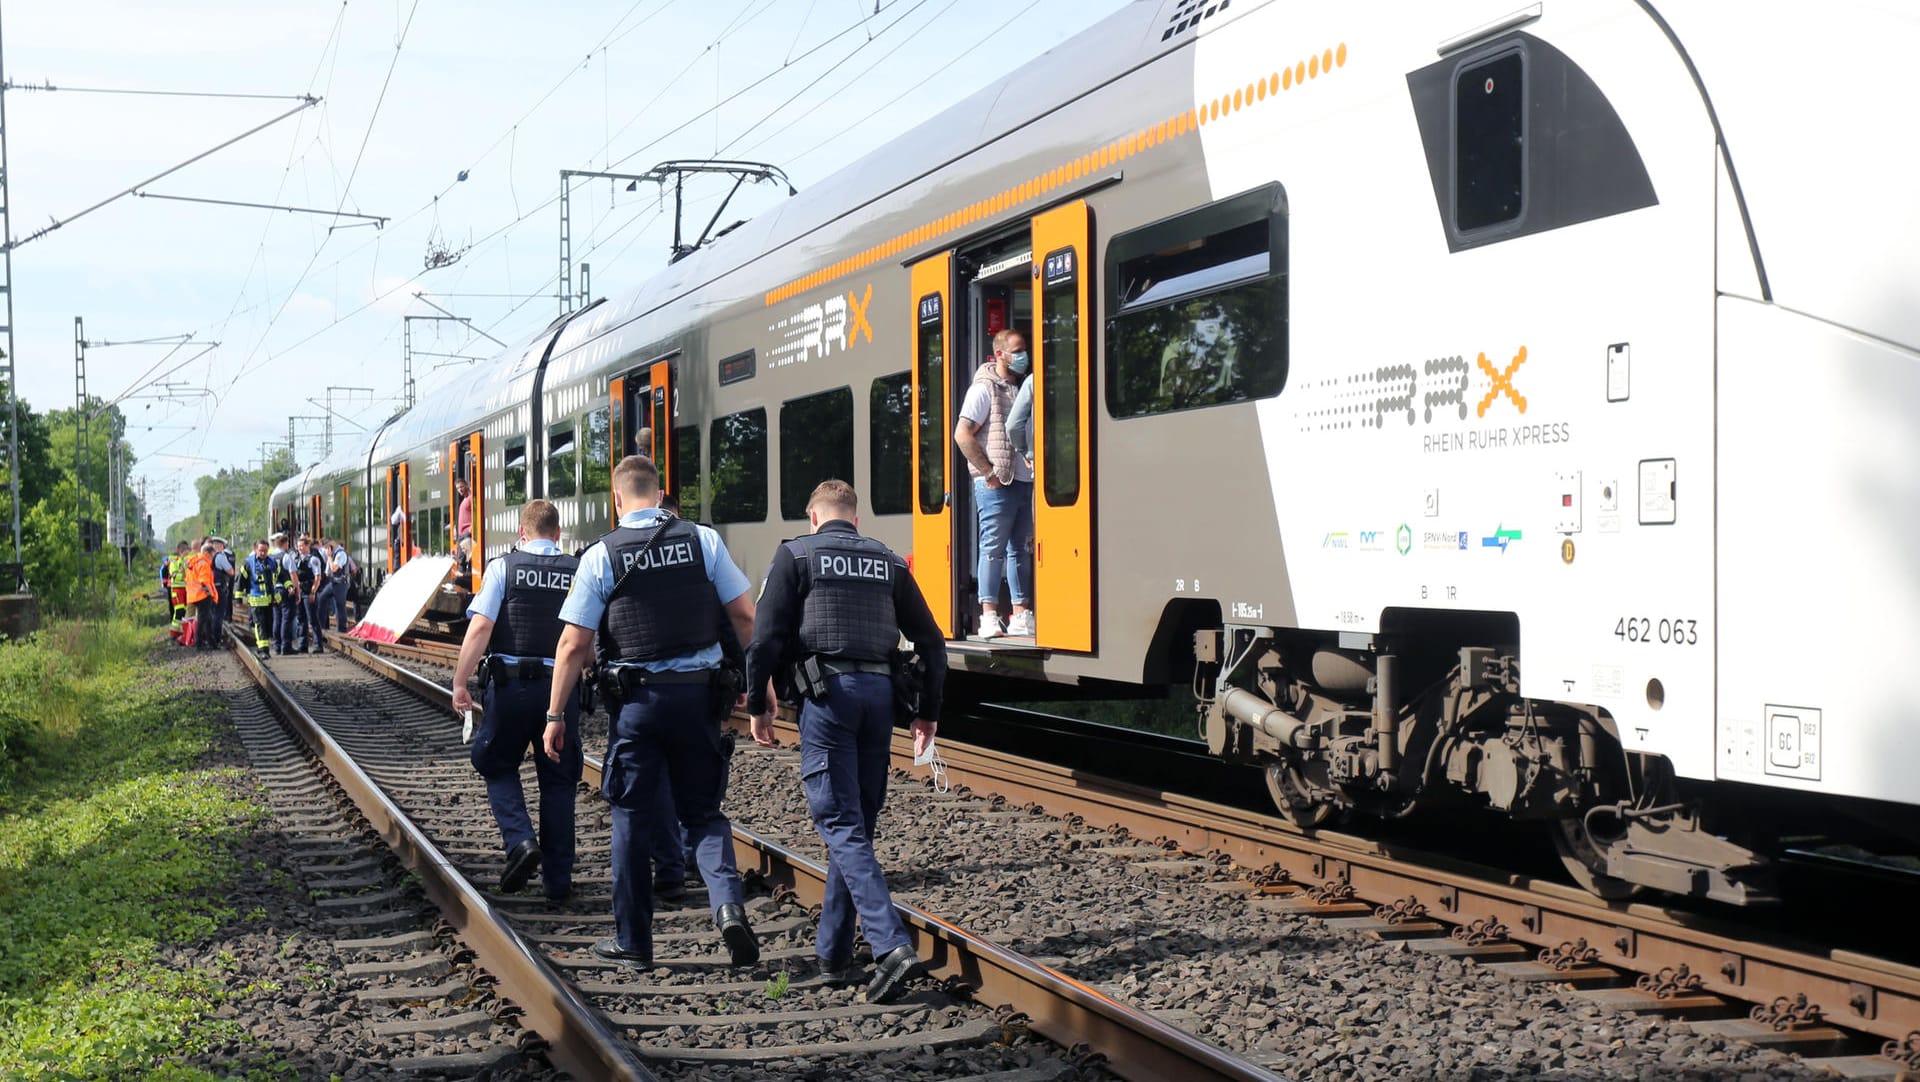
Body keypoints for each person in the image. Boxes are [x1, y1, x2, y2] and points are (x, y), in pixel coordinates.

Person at [544, 455, 760, 971]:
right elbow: (745, 615)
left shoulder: (601, 555)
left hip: (638, 706)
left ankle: (634, 942)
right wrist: (761, 682)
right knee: (704, 812)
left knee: (631, 819)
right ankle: (727, 905)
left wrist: (555, 714)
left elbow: (574, 644)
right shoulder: (703, 541)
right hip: (698, 699)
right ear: (661, 494)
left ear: (617, 500)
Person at [744, 480, 946, 1003]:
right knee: (855, 825)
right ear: (854, 520)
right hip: (880, 696)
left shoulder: (796, 556)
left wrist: (760, 704)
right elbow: (931, 642)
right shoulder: (887, 561)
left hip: (829, 697)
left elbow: (763, 638)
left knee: (838, 822)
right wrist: (928, 713)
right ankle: (833, 955)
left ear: (813, 517)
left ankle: (889, 946)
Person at [450, 500, 583, 899]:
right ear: (558, 533)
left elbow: (480, 629)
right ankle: (558, 884)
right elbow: (587, 638)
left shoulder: (502, 568)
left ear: (521, 534)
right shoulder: (578, 572)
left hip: (509, 690)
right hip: (560, 692)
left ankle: (521, 841)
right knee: (559, 783)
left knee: (495, 761)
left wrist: (460, 682)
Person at [952, 328, 1035, 640]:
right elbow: (962, 435)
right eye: (1017, 349)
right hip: (996, 485)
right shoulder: (983, 389)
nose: (1022, 355)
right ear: (999, 354)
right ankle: (988, 616)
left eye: (1024, 349)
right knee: (992, 549)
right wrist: (988, 473)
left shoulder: (1019, 387)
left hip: (1024, 481)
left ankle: (1021, 614)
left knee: (1020, 550)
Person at [238, 539, 277, 659]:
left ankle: (265, 649)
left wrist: (288, 586)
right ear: (255, 550)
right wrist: (238, 598)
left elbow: (281, 576)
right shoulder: (248, 563)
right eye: (261, 551)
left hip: (269, 600)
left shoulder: (272, 562)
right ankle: (262, 650)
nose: (263, 553)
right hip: (256, 600)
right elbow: (241, 581)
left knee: (268, 625)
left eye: (265, 551)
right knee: (260, 625)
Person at [293, 537, 326, 650]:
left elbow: (318, 577)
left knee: (313, 619)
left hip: (308, 592)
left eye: (302, 546)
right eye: (298, 546)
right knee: (301, 619)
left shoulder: (313, 560)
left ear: (308, 546)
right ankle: (303, 645)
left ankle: (318, 645)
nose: (300, 548)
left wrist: (313, 592)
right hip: (299, 592)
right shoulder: (296, 559)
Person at [186, 542, 219, 652]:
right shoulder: (204, 563)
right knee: (202, 620)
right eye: (212, 556)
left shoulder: (194, 562)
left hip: (193, 595)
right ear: (206, 553)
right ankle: (199, 643)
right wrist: (211, 593)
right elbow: (204, 580)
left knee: (207, 619)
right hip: (202, 595)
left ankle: (211, 642)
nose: (212, 558)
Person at [271, 534, 298, 655]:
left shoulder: (270, 558)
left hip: (274, 591)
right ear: (285, 544)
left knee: (277, 618)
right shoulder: (286, 557)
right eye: (288, 544)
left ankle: (277, 646)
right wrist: (297, 591)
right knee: (286, 619)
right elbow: (293, 575)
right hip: (285, 590)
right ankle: (285, 646)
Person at [320, 538, 354, 632]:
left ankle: (342, 630)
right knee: (322, 598)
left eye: (327, 547)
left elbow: (334, 568)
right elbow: (328, 571)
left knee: (340, 606)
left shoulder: (340, 554)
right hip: (333, 582)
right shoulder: (332, 554)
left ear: (331, 544)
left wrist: (330, 557)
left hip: (341, 584)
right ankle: (323, 626)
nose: (326, 550)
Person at [167, 541, 190, 640]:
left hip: (185, 589)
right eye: (186, 551)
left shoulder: (184, 561)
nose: (188, 553)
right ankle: (173, 633)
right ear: (182, 551)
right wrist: (185, 576)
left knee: (184, 612)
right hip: (177, 590)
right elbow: (174, 575)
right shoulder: (174, 562)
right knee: (179, 611)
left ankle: (182, 632)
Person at [455, 477, 474, 565]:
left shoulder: (471, 498)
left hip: (467, 533)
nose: (460, 490)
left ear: (466, 485)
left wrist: (472, 527)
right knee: (461, 559)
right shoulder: (464, 500)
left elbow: (476, 513)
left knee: (464, 559)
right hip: (462, 534)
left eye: (461, 487)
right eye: (458, 488)